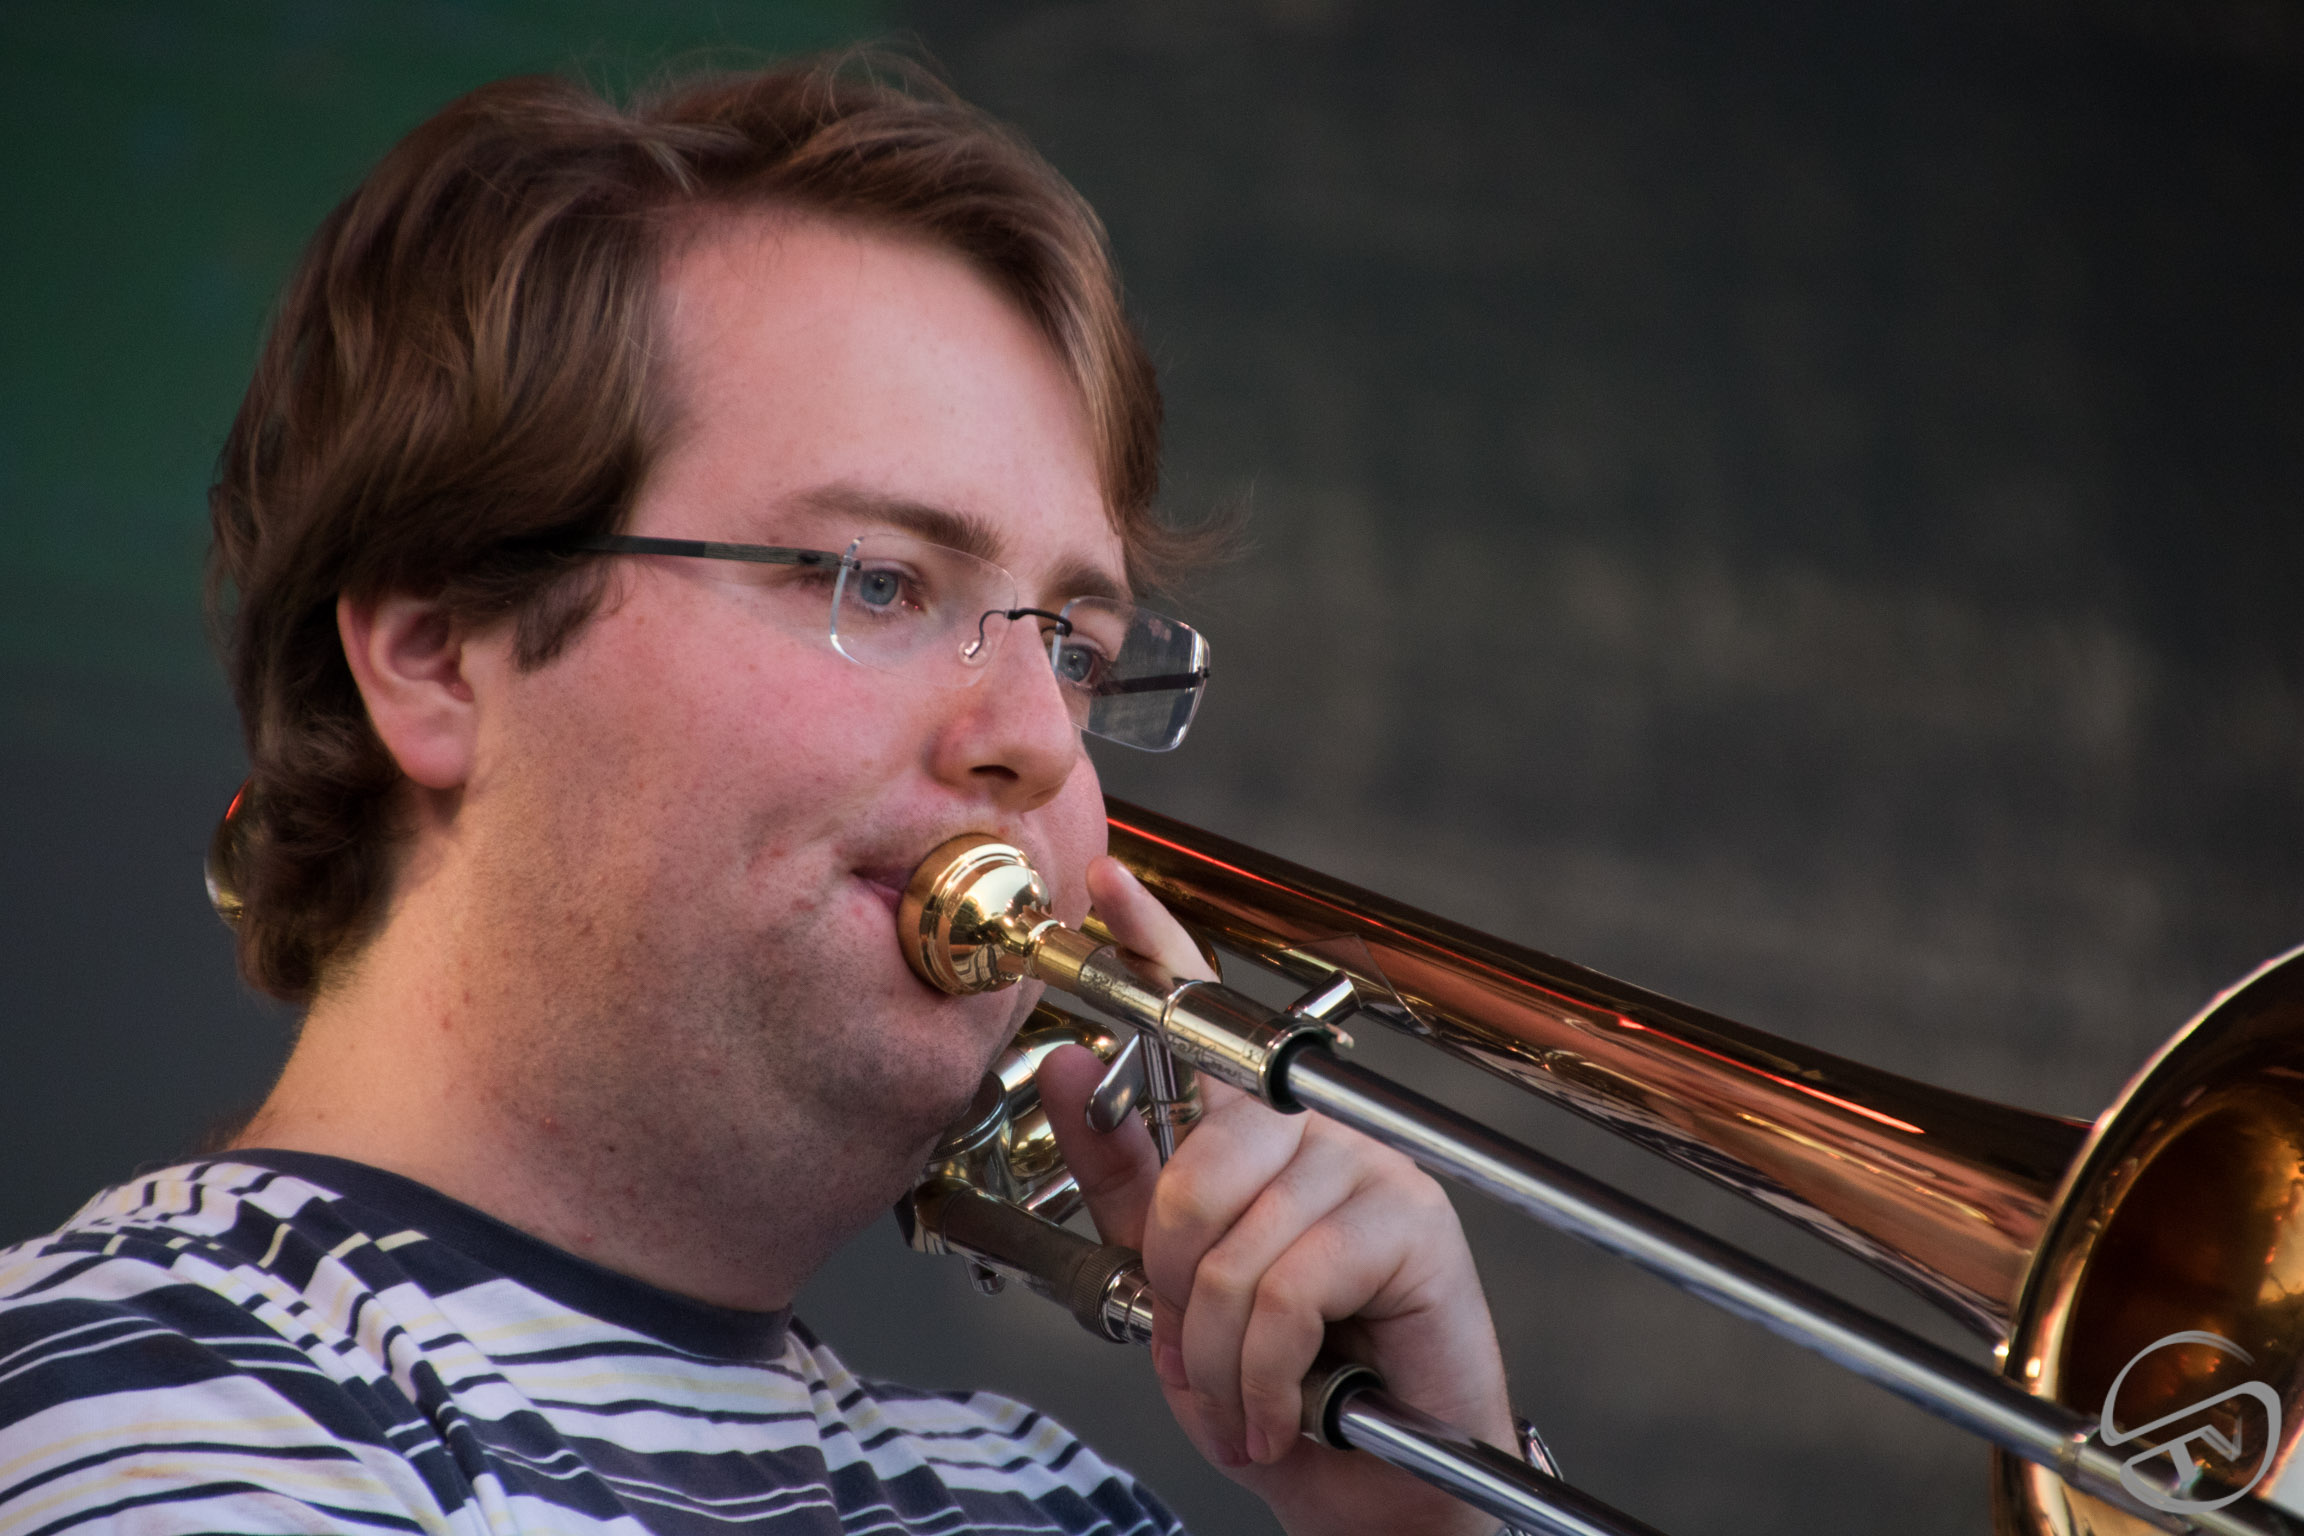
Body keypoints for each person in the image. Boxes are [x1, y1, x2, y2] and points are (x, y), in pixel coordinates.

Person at [0, 56, 1512, 1536]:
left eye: (1078, 651)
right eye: (879, 579)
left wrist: (1426, 1526)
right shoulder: (140, 1413)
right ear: (437, 655)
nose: (1042, 742)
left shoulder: (1037, 1500)